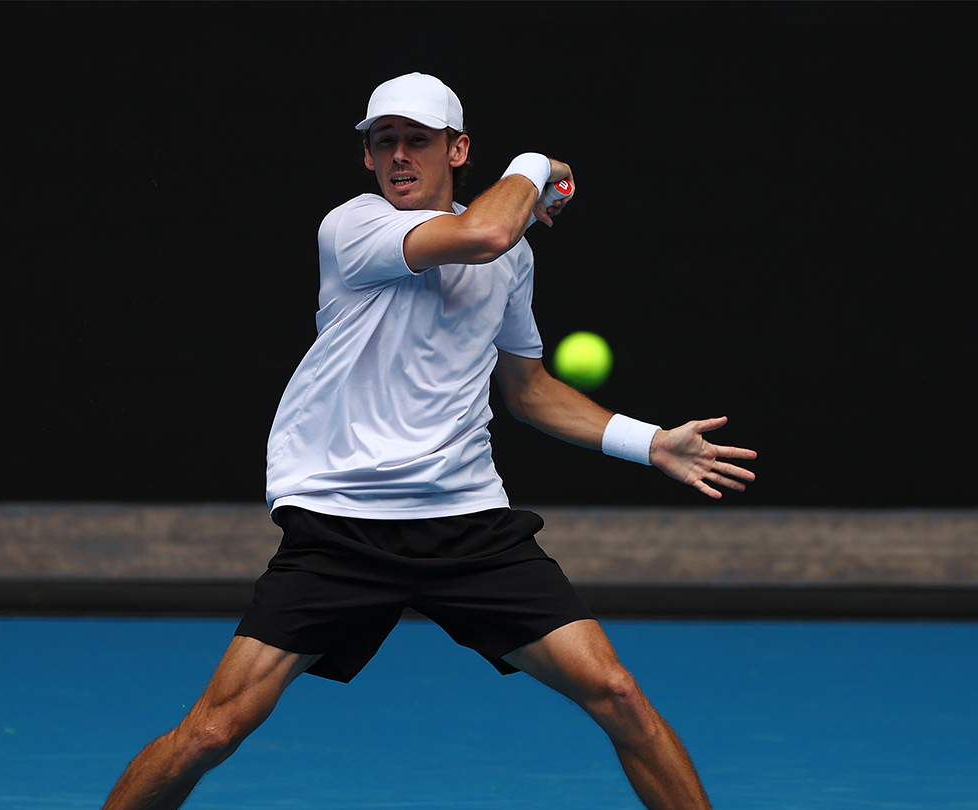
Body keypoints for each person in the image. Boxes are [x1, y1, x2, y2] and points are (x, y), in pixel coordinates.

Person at [102, 72, 757, 810]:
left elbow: (528, 390)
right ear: (367, 157)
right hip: (342, 522)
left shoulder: (513, 258)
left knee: (619, 694)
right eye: (384, 142)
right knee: (211, 732)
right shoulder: (355, 226)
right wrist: (537, 164)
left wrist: (649, 443)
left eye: (417, 140)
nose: (399, 156)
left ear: (458, 150)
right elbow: (485, 232)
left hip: (466, 524)